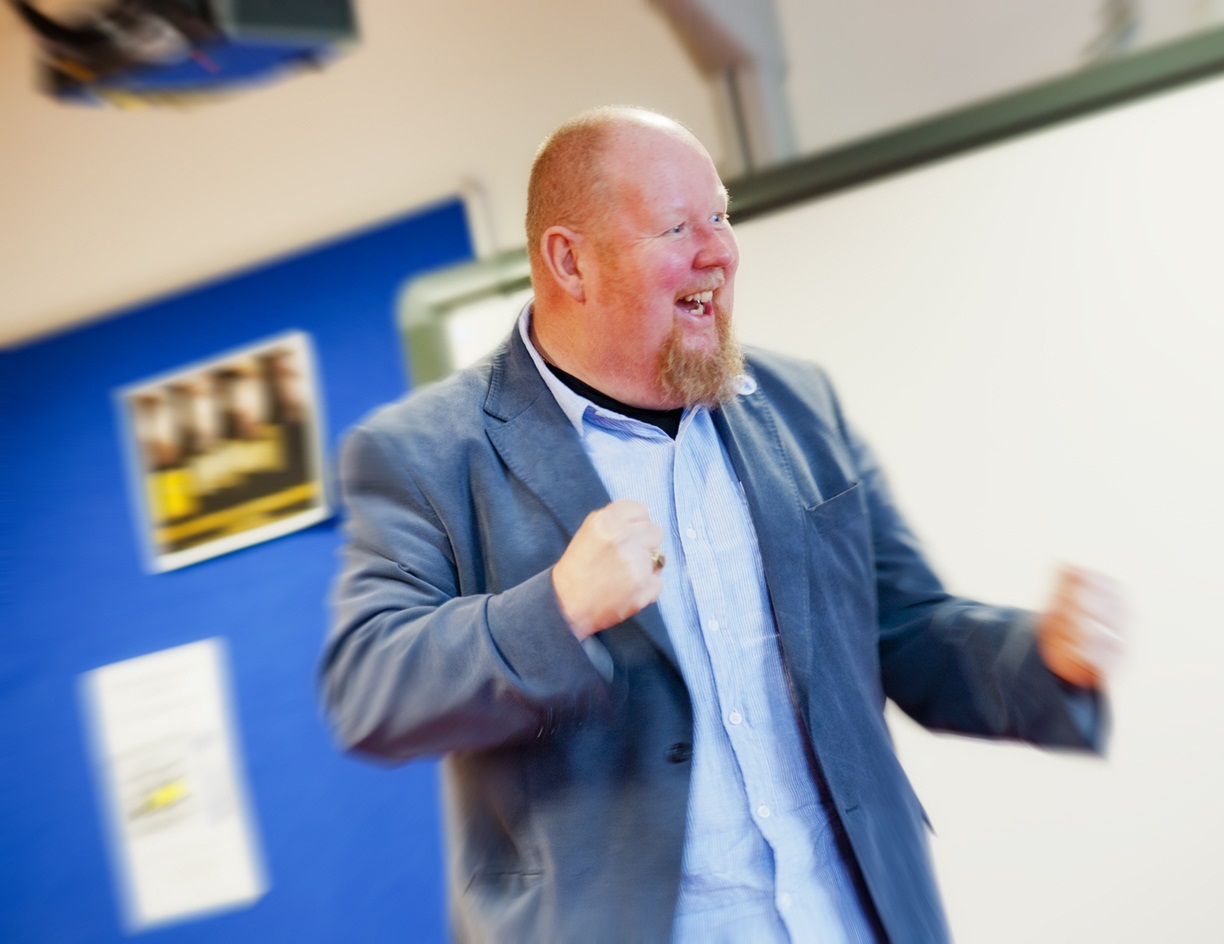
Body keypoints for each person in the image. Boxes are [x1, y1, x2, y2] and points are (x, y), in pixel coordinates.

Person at [321, 106, 1121, 944]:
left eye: (721, 216)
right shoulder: (425, 453)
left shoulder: (797, 404)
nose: (719, 250)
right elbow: (369, 692)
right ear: (569, 261)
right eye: (676, 226)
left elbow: (901, 626)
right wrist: (558, 608)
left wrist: (1044, 658)